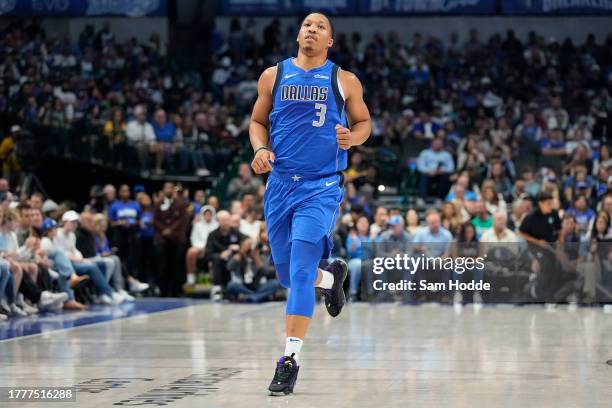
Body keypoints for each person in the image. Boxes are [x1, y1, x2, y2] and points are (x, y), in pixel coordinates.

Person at [249, 12, 371, 395]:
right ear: (298, 34)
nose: (311, 29)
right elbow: (257, 121)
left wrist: (353, 138)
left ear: (329, 41)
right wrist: (260, 148)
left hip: (320, 187)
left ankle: (289, 360)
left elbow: (364, 122)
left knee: (299, 275)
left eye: (320, 27)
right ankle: (331, 277)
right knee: (289, 277)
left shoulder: (344, 79)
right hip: (280, 185)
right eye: (306, 25)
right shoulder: (273, 75)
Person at [519, 192, 561, 302]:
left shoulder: (554, 214)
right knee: (545, 264)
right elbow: (522, 232)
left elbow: (559, 230)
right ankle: (538, 291)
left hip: (551, 246)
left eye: (551, 203)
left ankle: (550, 294)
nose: (551, 206)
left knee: (556, 266)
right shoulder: (532, 216)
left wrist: (560, 245)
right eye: (548, 203)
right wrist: (537, 241)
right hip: (535, 247)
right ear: (541, 204)